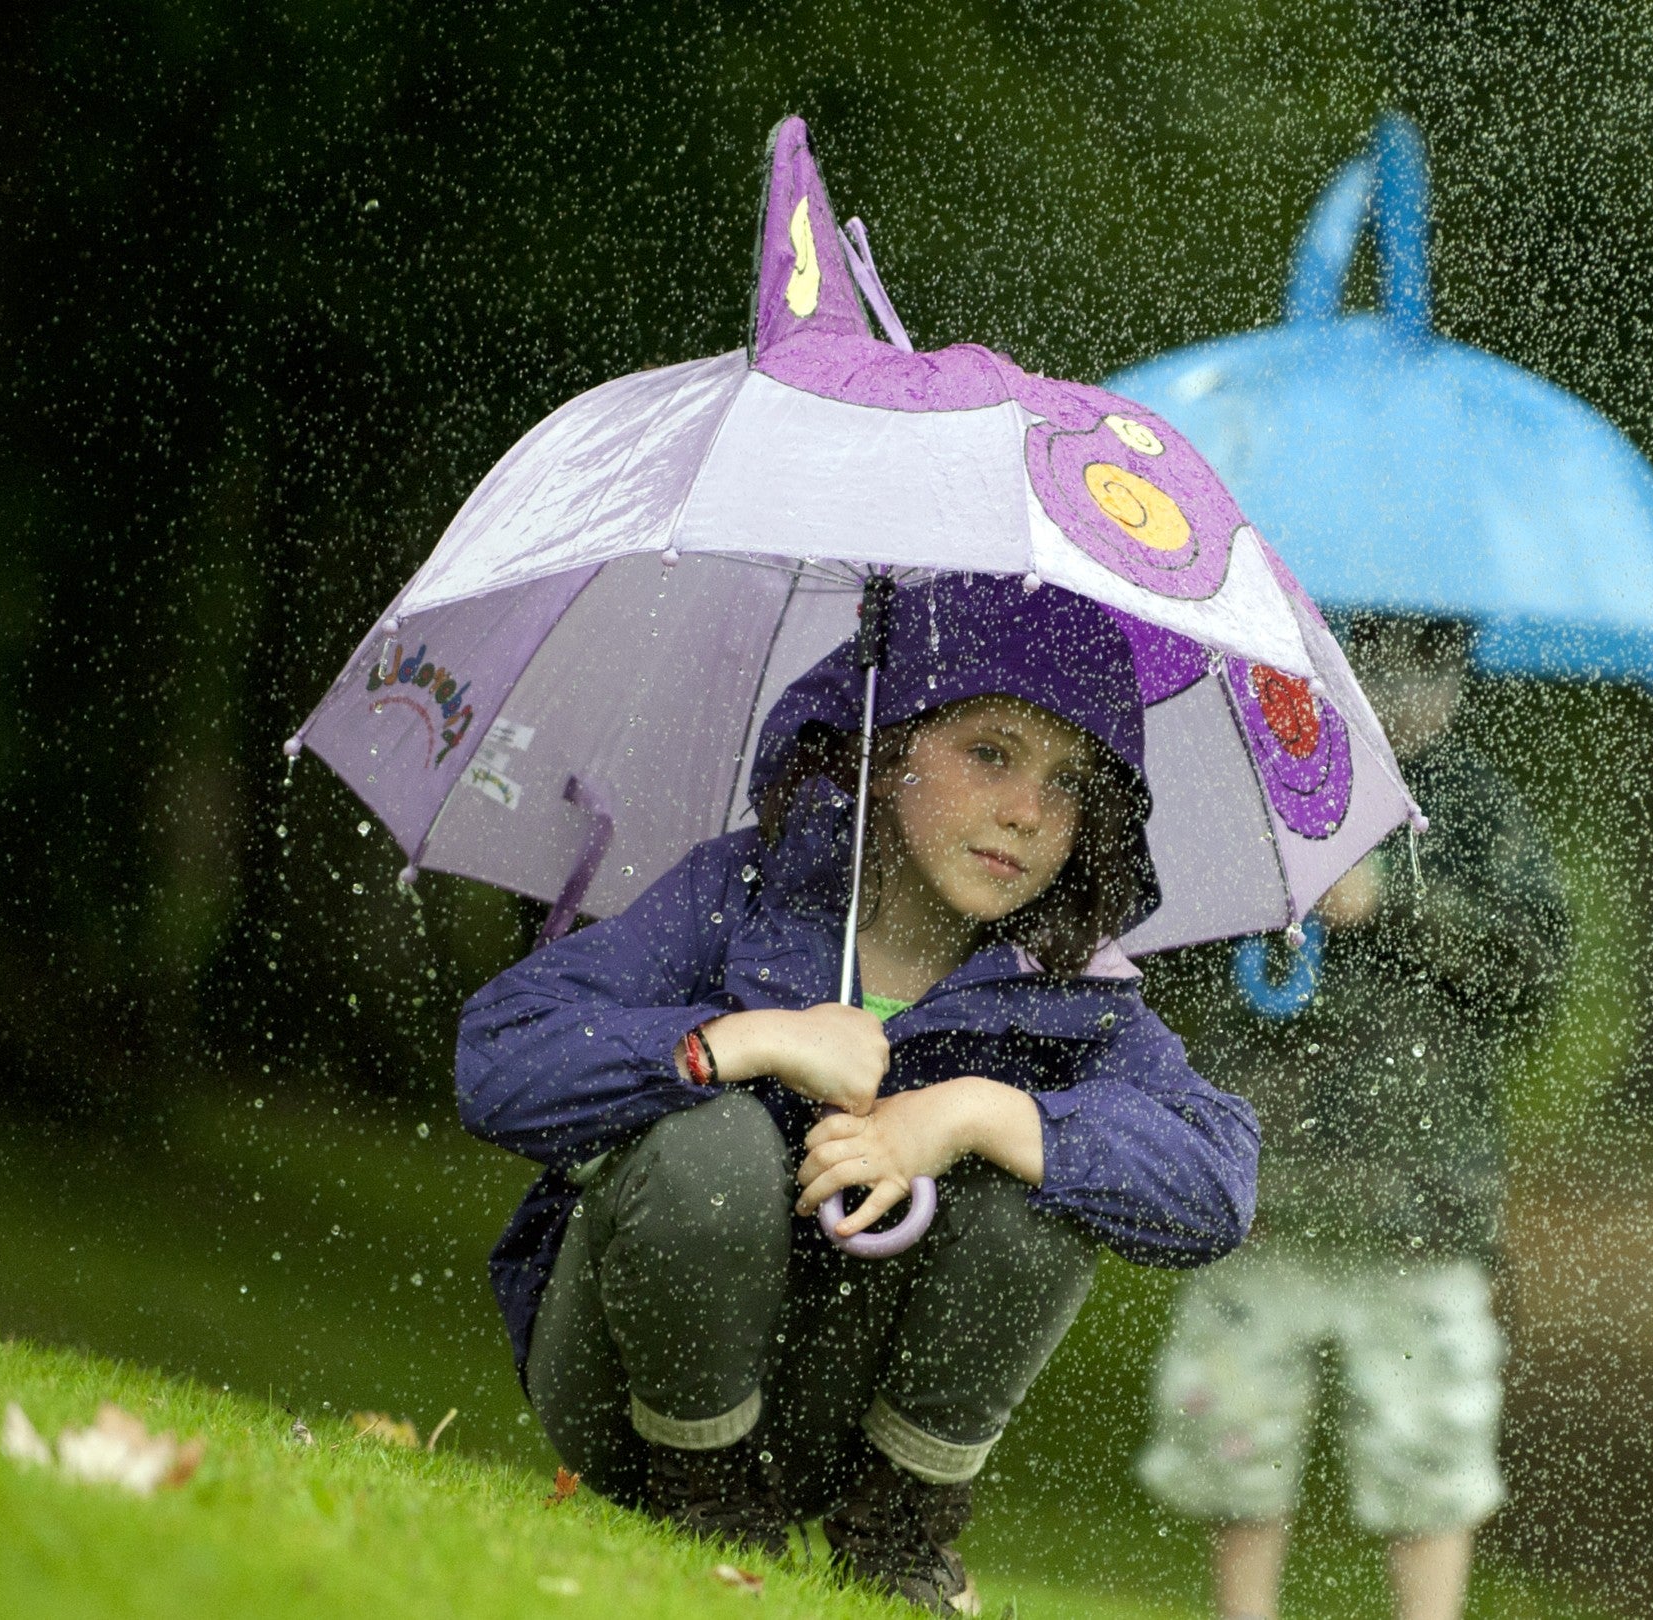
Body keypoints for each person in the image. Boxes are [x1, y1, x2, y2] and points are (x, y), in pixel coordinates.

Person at [456, 576, 1259, 1618]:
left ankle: (899, 1532)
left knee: (1042, 1185)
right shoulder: (739, 895)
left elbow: (1218, 1180)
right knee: (716, 1147)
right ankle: (699, 1499)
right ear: (885, 750)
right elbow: (501, 1054)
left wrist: (977, 1112)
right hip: (636, 1397)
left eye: (1067, 784)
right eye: (991, 753)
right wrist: (741, 1040)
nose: (1024, 810)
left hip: (847, 1423)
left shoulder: (1073, 1003)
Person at [1133, 614, 1569, 1620]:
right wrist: (1263, 884)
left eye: (1434, 664)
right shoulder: (1258, 789)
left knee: (1430, 1435)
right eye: (1370, 661)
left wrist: (1398, 907)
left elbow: (1536, 974)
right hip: (1268, 1188)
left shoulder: (1478, 812)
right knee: (1233, 1430)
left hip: (1421, 1203)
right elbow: (1165, 945)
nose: (1404, 688)